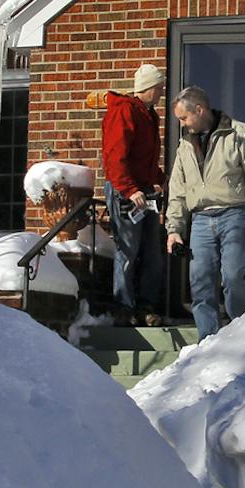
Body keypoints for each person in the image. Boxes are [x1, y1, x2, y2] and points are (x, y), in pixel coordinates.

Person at [165, 85, 245, 341]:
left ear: (200, 110)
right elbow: (177, 190)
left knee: (233, 275)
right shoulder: (185, 145)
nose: (181, 123)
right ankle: (208, 341)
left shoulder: (239, 134)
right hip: (201, 218)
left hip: (235, 213)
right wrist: (174, 230)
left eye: (184, 117)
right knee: (200, 281)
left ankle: (239, 334)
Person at [100, 63, 167, 324]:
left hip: (145, 192)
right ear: (147, 88)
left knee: (152, 250)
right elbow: (115, 156)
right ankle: (124, 308)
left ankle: (146, 306)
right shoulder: (125, 111)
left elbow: (144, 157)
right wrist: (129, 189)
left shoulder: (149, 114)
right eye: (159, 87)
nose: (161, 91)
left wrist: (159, 179)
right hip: (126, 192)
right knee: (127, 249)